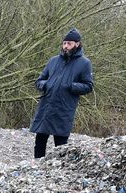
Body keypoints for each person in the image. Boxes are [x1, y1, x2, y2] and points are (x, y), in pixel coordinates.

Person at [30, 29, 94, 158]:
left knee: (61, 145)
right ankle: (36, 167)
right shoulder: (53, 61)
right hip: (46, 106)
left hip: (64, 108)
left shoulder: (84, 63)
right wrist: (46, 85)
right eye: (64, 43)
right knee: (40, 140)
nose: (65, 46)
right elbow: (39, 81)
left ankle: (59, 169)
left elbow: (88, 86)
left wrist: (71, 86)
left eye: (69, 43)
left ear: (77, 44)